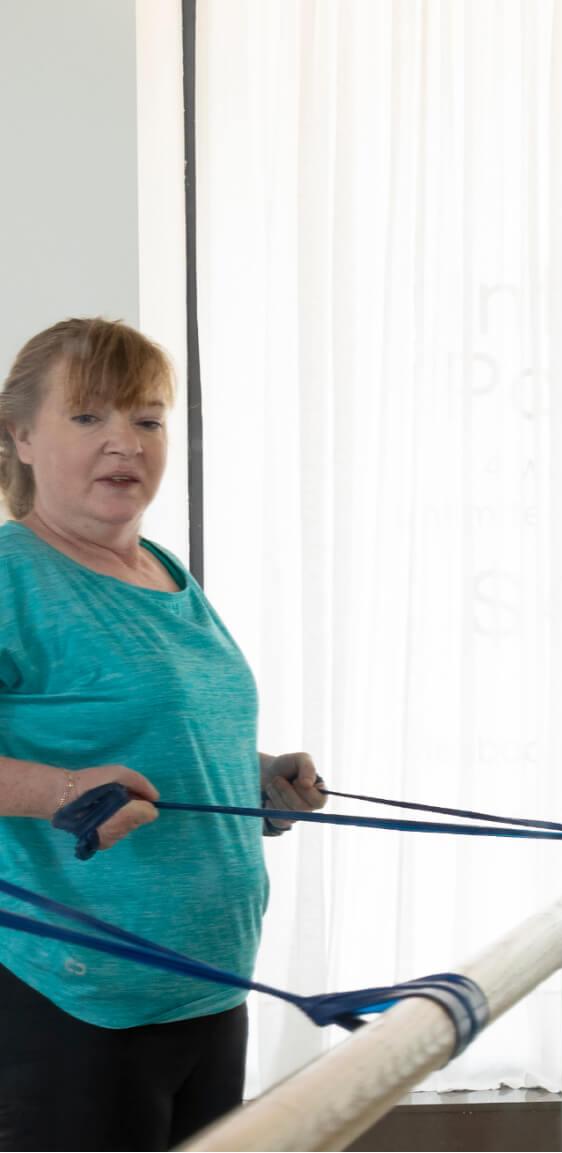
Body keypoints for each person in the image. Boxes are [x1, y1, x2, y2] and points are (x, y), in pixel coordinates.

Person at [0, 318, 332, 1149]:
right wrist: (62, 794)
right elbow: (68, 775)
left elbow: (161, 733)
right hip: (75, 1001)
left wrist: (253, 777)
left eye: (147, 420)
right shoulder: (12, 576)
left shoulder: (163, 570)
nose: (126, 443)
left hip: (206, 985)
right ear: (21, 436)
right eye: (88, 418)